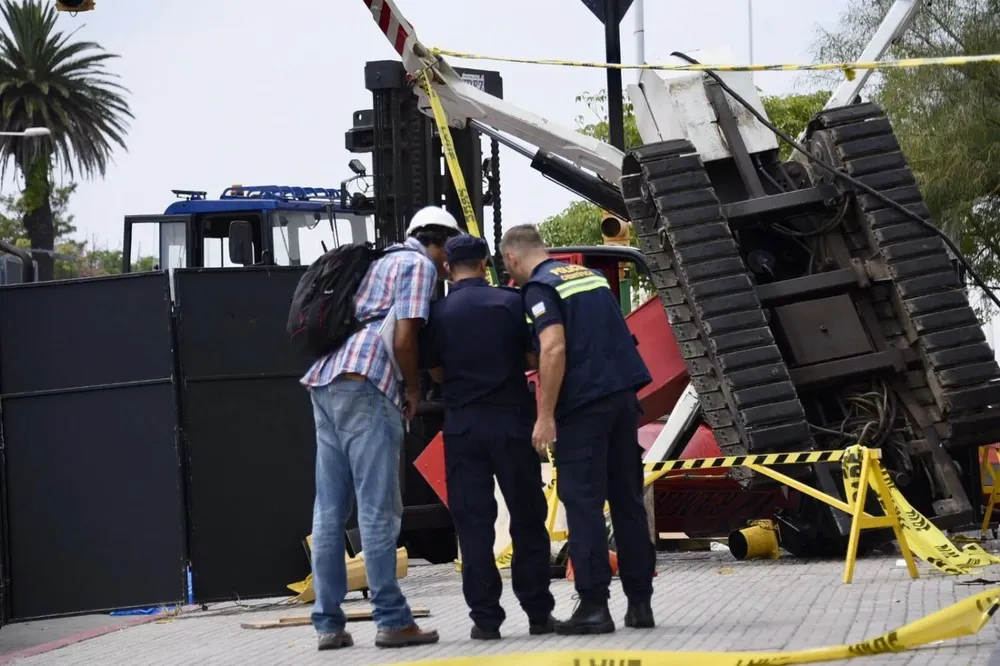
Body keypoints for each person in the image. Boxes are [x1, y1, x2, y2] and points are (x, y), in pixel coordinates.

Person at [300, 206, 461, 651]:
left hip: (327, 378)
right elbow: (406, 337)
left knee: (329, 509)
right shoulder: (417, 266)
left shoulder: (381, 259)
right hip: (369, 384)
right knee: (378, 508)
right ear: (442, 243)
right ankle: (391, 619)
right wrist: (413, 390)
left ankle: (328, 625)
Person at [499, 223, 656, 636]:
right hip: (623, 398)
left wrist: (545, 415)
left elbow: (553, 347)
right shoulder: (589, 277)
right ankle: (640, 604)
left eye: (506, 266)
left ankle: (593, 606)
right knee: (627, 501)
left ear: (513, 257)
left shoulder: (539, 288)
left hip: (584, 407)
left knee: (583, 502)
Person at [421, 234, 556, 641]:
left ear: (448, 269)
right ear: (485, 265)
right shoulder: (512, 303)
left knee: (474, 524)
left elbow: (437, 373)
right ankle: (537, 614)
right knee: (528, 518)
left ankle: (485, 620)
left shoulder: (437, 313)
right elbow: (534, 358)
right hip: (513, 424)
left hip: (463, 427)